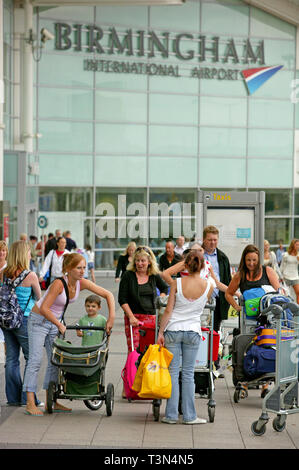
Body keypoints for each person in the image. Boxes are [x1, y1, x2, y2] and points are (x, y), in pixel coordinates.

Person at [23, 252, 115, 416]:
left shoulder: (81, 283)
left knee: (55, 361)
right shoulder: (59, 284)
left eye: (84, 268)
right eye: (78, 268)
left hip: (54, 323)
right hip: (39, 321)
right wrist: (60, 324)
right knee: (35, 360)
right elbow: (44, 308)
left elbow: (108, 295)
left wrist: (111, 318)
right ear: (68, 269)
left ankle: (52, 401)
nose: (82, 271)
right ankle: (30, 402)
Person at [157, 249, 214, 425]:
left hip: (173, 329)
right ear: (203, 265)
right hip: (193, 330)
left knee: (173, 372)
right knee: (188, 374)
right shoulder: (208, 286)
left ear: (186, 265)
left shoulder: (177, 283)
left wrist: (160, 332)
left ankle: (171, 415)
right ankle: (190, 416)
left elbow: (168, 310)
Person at [225, 244, 280, 397]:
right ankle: (245, 382)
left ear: (259, 259)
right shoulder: (240, 275)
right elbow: (228, 293)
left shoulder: (267, 271)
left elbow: (278, 292)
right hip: (247, 320)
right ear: (244, 259)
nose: (251, 263)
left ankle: (265, 383)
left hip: (267, 319)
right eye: (248, 260)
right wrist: (237, 307)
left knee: (267, 346)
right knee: (245, 346)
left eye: (254, 260)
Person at [118, 245, 169, 398]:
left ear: (149, 262)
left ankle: (148, 383)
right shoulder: (128, 275)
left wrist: (162, 297)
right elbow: (122, 299)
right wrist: (131, 317)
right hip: (133, 318)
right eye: (138, 261)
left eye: (143, 261)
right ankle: (128, 385)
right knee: (133, 352)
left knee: (150, 352)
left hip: (151, 318)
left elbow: (165, 287)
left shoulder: (154, 275)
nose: (140, 264)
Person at [1, 241, 41, 406]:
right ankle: (28, 398)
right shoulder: (30, 275)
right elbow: (39, 298)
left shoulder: (4, 273)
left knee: (11, 359)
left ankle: (13, 398)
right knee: (31, 358)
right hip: (24, 319)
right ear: (24, 254)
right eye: (29, 252)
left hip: (6, 320)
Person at [202, 226, 231, 334]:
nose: (212, 242)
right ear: (204, 239)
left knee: (215, 332)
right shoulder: (197, 254)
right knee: (201, 331)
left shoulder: (223, 257)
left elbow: (227, 279)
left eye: (215, 240)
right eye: (210, 240)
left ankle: (213, 351)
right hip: (200, 299)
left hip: (218, 300)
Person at [280, 239, 299, 304]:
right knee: (285, 295)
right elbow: (282, 266)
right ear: (293, 245)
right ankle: (286, 309)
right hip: (286, 277)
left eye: (298, 245)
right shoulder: (286, 255)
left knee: (298, 293)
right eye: (296, 245)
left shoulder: (298, 255)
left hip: (295, 276)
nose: (298, 246)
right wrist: (280, 277)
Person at [0, 240, 8, 344]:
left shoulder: (9, 267)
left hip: (5, 304)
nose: (1, 253)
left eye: (3, 250)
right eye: (0, 250)